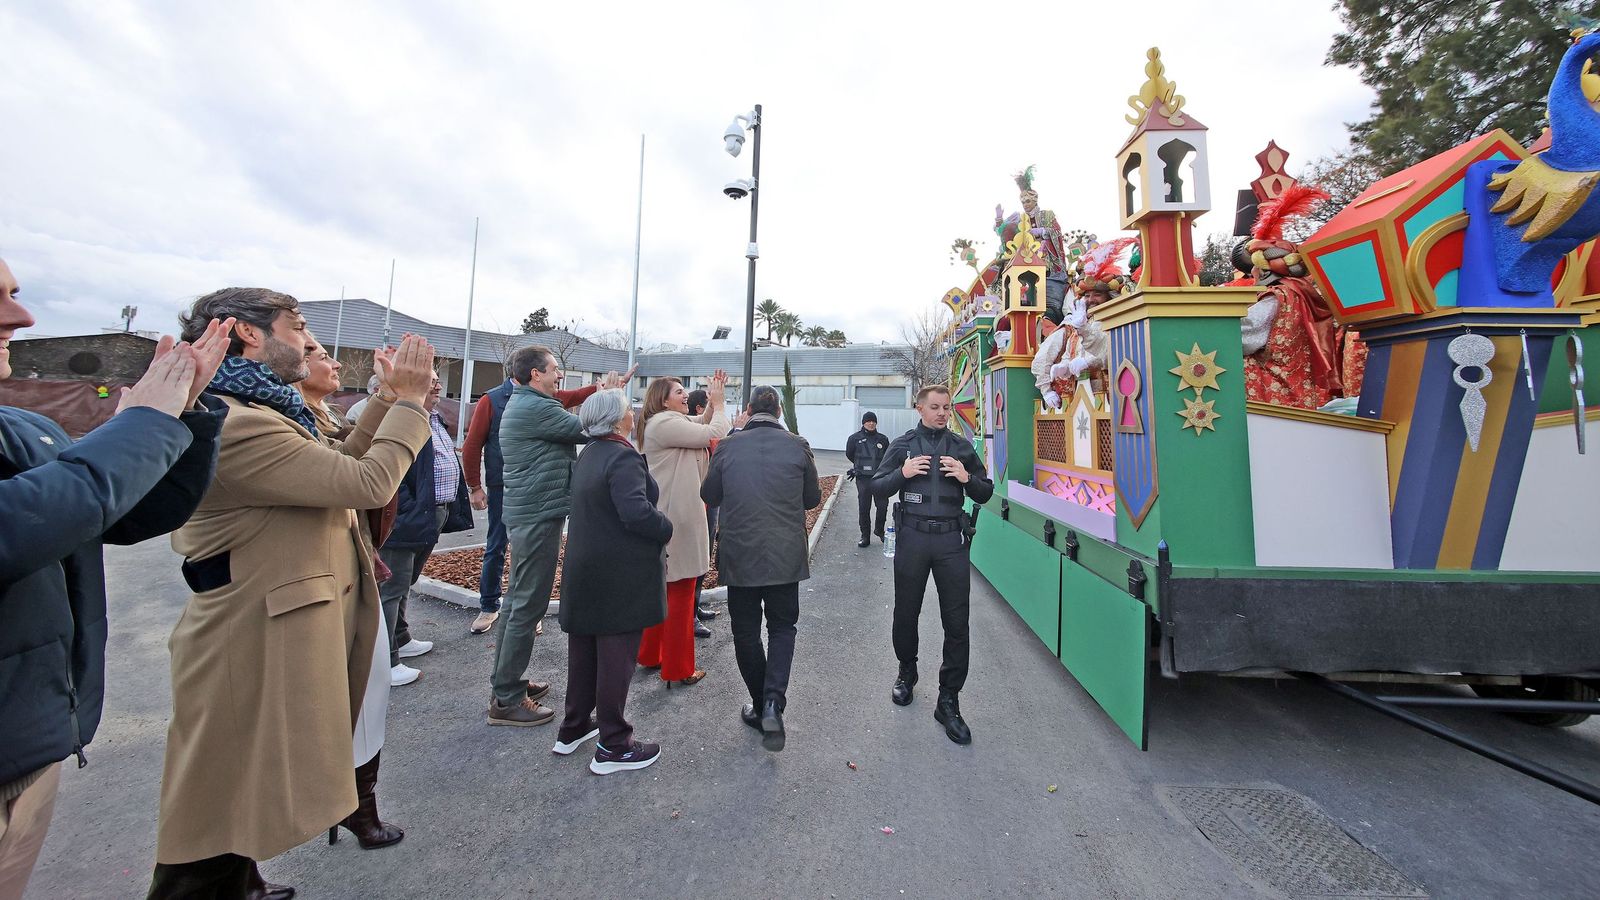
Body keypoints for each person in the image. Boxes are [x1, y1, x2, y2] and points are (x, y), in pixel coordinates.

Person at [149, 287, 437, 897]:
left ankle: (239, 883)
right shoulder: (239, 421)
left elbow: (336, 461)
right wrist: (410, 401)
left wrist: (387, 400)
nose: (307, 343)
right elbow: (364, 481)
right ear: (250, 334)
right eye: (298, 328)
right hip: (246, 634)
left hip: (274, 622)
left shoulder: (269, 409)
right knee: (213, 802)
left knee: (234, 793)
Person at [0, 258, 229, 900]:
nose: (22, 316)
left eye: (15, 293)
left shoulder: (26, 429)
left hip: (28, 757)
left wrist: (186, 416)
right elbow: (24, 524)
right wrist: (147, 423)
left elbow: (126, 515)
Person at [463, 363, 633, 635]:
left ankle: (522, 619)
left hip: (529, 495)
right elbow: (473, 443)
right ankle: (491, 605)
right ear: (535, 373)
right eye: (555, 369)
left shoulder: (541, 399)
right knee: (497, 546)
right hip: (514, 492)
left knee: (521, 575)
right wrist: (474, 485)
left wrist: (601, 391)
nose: (560, 375)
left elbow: (573, 396)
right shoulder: (500, 401)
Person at [869, 384, 994, 745]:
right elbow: (876, 487)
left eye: (946, 407)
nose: (942, 412)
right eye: (935, 407)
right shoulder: (904, 445)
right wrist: (903, 473)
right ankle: (907, 671)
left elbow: (985, 492)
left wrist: (967, 478)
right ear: (920, 408)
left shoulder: (960, 448)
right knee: (905, 613)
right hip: (913, 539)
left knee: (957, 621)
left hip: (950, 542)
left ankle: (948, 700)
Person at [557, 389, 673, 774]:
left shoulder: (590, 453)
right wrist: (666, 527)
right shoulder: (622, 455)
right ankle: (614, 745)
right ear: (617, 419)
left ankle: (574, 726)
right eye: (628, 408)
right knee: (615, 659)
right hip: (618, 575)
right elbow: (636, 513)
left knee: (585, 653)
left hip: (587, 569)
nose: (633, 413)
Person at [700, 385, 821, 752]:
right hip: (785, 555)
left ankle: (760, 702)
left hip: (741, 553)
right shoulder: (798, 445)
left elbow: (710, 495)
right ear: (780, 411)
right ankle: (772, 703)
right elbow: (812, 498)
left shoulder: (730, 445)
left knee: (746, 633)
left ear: (749, 409)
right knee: (784, 628)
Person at [378, 372, 473, 686]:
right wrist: (406, 508)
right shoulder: (401, 418)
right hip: (408, 517)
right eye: (430, 380)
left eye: (437, 379)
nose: (437, 385)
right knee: (391, 588)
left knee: (407, 580)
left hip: (433, 515)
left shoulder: (435, 419)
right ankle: (384, 661)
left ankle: (401, 639)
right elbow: (394, 470)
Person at [635, 371, 730, 687]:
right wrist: (719, 403)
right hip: (679, 516)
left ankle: (650, 654)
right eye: (679, 391)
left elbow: (701, 424)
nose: (685, 395)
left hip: (672, 513)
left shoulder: (665, 423)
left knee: (666, 589)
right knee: (680, 592)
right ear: (663, 400)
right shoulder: (664, 423)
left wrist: (713, 397)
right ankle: (678, 668)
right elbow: (716, 433)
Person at [685, 388, 718, 638]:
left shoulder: (702, 433)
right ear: (700, 410)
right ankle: (689, 615)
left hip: (710, 503)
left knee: (703, 558)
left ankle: (695, 606)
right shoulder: (692, 435)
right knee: (693, 561)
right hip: (696, 504)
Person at [844, 410, 890, 547]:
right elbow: (850, 454)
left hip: (880, 478)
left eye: (873, 421)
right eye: (868, 421)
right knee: (864, 508)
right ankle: (865, 536)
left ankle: (879, 530)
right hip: (863, 479)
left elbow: (888, 457)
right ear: (863, 423)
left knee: (882, 506)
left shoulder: (883, 439)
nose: (871, 423)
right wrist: (860, 466)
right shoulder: (854, 439)